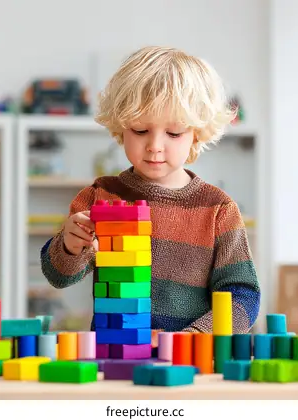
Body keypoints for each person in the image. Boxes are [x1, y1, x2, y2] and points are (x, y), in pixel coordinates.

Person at [40, 46, 260, 333]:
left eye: (174, 133)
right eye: (140, 130)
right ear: (121, 127)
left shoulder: (218, 209)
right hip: (114, 352)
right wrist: (69, 247)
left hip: (189, 360)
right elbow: (59, 276)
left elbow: (243, 296)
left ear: (197, 134)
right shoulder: (101, 196)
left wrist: (194, 337)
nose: (155, 145)